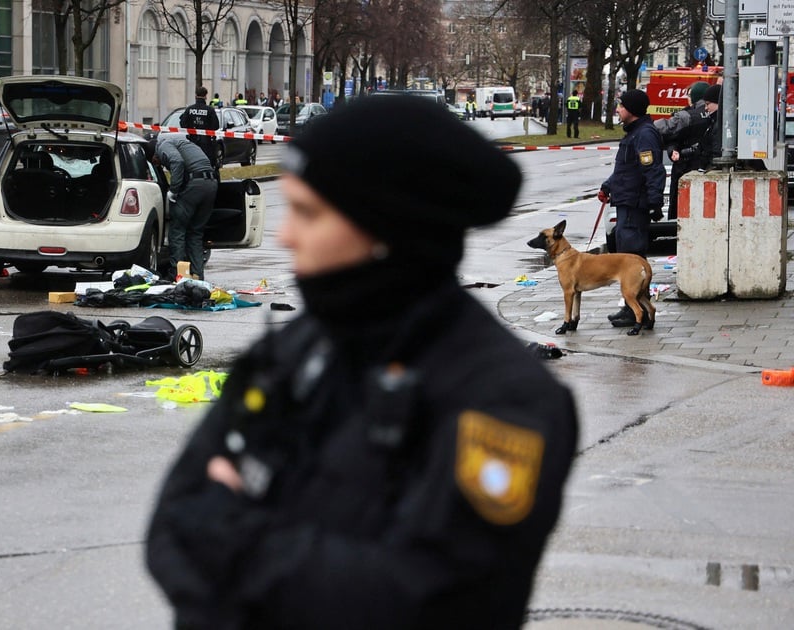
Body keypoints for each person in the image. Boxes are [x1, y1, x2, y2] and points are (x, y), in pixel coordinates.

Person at [146, 95, 578, 628]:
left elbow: (430, 600)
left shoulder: (502, 398)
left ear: (385, 231)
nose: (285, 234)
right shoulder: (298, 346)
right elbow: (172, 526)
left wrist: (236, 539)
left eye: (308, 212)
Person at [599, 88, 665, 326]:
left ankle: (635, 311)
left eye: (621, 106)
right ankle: (638, 309)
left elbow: (652, 170)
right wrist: (608, 186)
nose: (617, 109)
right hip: (626, 201)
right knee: (631, 260)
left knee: (632, 262)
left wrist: (655, 202)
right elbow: (625, 170)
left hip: (634, 205)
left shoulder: (644, 135)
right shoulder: (634, 133)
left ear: (632, 110)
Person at [146, 135, 217, 281]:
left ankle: (177, 276)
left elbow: (177, 161)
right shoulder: (182, 142)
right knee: (195, 234)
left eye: (155, 162)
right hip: (211, 184)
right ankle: (197, 276)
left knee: (177, 231)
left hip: (195, 185)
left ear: (154, 153)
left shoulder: (163, 146)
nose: (158, 165)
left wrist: (174, 190)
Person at [656, 81, 711, 219]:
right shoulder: (717, 115)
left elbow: (667, 130)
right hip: (706, 168)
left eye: (689, 95)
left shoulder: (686, 116)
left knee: (681, 211)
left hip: (685, 167)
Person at [673, 83, 721, 174]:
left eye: (707, 104)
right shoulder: (712, 121)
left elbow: (715, 151)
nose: (706, 108)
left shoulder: (717, 124)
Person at [178, 86, 221, 171]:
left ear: (195, 96)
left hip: (192, 141)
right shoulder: (210, 110)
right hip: (207, 143)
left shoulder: (189, 109)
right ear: (205, 96)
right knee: (207, 165)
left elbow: (183, 123)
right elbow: (215, 126)